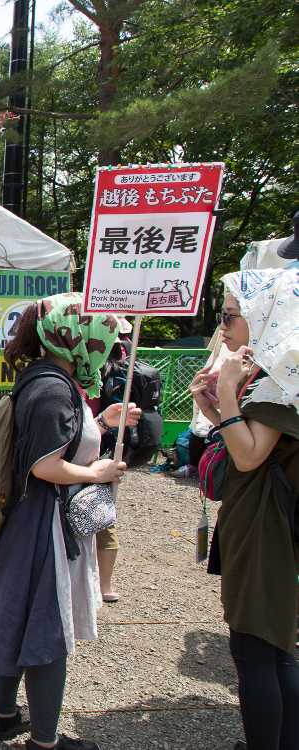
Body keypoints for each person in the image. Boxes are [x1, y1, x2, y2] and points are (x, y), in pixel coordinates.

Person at [0, 294, 139, 750]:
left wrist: (100, 422)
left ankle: (3, 715)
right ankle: (45, 741)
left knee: (16, 617)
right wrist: (97, 472)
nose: (109, 346)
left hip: (27, 520)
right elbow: (45, 465)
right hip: (45, 525)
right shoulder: (55, 389)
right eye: (103, 335)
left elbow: (50, 442)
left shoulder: (43, 378)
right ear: (77, 337)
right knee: (47, 630)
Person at [190, 269, 299, 750]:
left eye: (231, 315)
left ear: (266, 316)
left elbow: (251, 456)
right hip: (258, 519)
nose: (223, 326)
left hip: (265, 527)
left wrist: (229, 392)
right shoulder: (272, 373)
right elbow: (250, 449)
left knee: (258, 646)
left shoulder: (280, 377)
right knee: (272, 645)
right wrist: (216, 410)